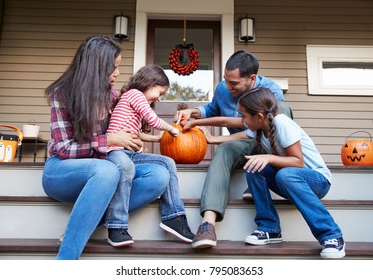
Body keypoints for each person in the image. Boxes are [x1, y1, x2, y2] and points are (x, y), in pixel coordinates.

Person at [42, 35, 191, 260]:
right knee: (108, 170)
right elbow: (65, 150)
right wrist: (111, 140)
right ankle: (65, 262)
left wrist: (132, 136)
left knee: (160, 174)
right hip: (63, 171)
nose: (118, 73)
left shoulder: (113, 96)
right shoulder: (62, 95)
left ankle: (93, 221)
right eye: (114, 67)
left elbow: (125, 128)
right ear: (96, 67)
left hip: (107, 162)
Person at [174, 50, 293, 249]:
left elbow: (252, 129)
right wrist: (192, 112)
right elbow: (213, 109)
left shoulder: (270, 90)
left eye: (234, 84)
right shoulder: (223, 88)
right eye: (226, 81)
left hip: (265, 143)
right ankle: (207, 224)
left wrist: (214, 137)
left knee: (283, 108)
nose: (228, 87)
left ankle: (264, 175)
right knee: (224, 150)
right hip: (240, 143)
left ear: (252, 78)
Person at [238, 87, 345, 259]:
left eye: (243, 116)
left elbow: (298, 162)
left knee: (283, 174)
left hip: (317, 180)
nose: (241, 121)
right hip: (290, 180)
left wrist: (269, 158)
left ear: (259, 116)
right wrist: (212, 139)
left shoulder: (282, 123)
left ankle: (331, 235)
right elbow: (234, 132)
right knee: (253, 166)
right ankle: (269, 228)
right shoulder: (260, 128)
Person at [105, 64, 194, 246]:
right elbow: (151, 119)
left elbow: (138, 133)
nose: (159, 99)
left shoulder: (135, 101)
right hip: (114, 151)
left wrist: (157, 138)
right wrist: (171, 129)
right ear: (150, 83)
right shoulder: (135, 94)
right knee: (126, 167)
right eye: (160, 93)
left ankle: (174, 216)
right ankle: (117, 226)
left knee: (167, 162)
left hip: (129, 152)